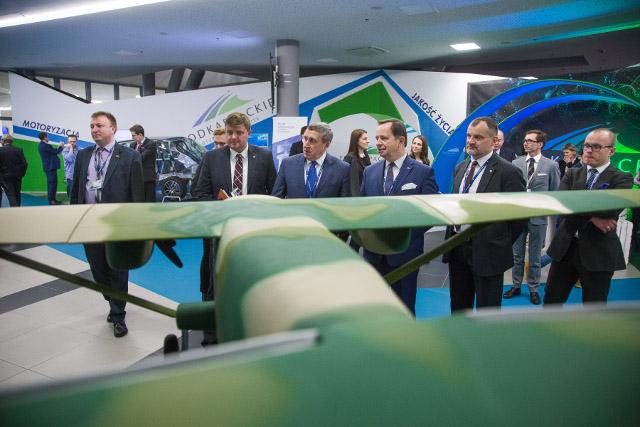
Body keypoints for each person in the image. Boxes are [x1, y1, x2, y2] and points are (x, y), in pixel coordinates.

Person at [194, 112, 276, 345]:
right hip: (220, 233)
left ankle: (251, 330)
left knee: (252, 281)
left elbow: (274, 193)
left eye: (239, 133)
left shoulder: (264, 157)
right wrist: (221, 207)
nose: (233, 137)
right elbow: (199, 193)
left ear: (248, 133)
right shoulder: (211, 158)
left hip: (253, 233)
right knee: (215, 283)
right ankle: (212, 337)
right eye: (229, 132)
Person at [70, 111, 144, 337]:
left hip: (118, 225)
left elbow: (137, 194)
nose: (94, 129)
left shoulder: (130, 156)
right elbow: (76, 189)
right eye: (92, 126)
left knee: (118, 271)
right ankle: (112, 298)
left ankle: (118, 315)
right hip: (90, 223)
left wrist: (136, 226)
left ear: (113, 128)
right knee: (98, 271)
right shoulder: (83, 155)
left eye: (99, 125)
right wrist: (73, 218)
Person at [443, 117, 526, 312]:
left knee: (487, 312)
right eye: (469, 136)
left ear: (494, 141)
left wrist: (499, 242)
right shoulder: (460, 168)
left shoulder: (509, 172)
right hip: (457, 248)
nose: (471, 141)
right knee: (459, 308)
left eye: (478, 137)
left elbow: (520, 217)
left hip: (489, 252)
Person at [543, 128, 633, 305]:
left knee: (594, 306)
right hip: (565, 249)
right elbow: (561, 204)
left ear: (611, 151)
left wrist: (576, 207)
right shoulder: (572, 173)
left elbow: (609, 210)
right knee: (551, 301)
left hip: (598, 251)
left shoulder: (622, 178)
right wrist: (592, 217)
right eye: (587, 146)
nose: (589, 150)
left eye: (596, 146)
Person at [361, 119, 439, 315]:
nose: (378, 142)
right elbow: (362, 209)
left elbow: (430, 213)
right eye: (377, 138)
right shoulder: (369, 172)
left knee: (404, 309)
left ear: (401, 140)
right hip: (374, 255)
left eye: (384, 138)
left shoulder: (423, 172)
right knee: (375, 311)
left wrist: (401, 237)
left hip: (406, 255)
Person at [503, 130, 560, 305]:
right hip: (518, 217)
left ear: (540, 144)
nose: (525, 143)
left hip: (538, 218)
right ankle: (516, 285)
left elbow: (555, 192)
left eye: (530, 140)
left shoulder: (551, 166)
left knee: (535, 256)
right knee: (517, 255)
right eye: (525, 140)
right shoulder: (516, 163)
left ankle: (533, 288)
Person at [273, 122, 350, 198]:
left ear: (327, 144)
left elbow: (345, 203)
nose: (306, 145)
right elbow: (276, 199)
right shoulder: (288, 164)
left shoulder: (342, 169)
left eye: (312, 140)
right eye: (305, 139)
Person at [129, 124, 157, 202]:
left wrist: (130, 159)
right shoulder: (132, 145)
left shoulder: (150, 144)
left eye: (133, 135)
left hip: (148, 179)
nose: (132, 138)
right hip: (136, 180)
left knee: (149, 202)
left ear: (140, 135)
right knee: (138, 202)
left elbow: (140, 158)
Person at [0, 134, 28, 207]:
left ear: (4, 140)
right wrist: (21, 174)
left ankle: (14, 211)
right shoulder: (19, 150)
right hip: (17, 177)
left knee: (11, 195)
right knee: (17, 195)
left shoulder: (1, 150)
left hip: (5, 178)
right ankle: (17, 210)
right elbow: (24, 164)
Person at [37, 132, 64, 205]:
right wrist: (61, 146)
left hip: (49, 167)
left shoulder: (42, 145)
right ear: (44, 137)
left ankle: (52, 199)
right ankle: (52, 201)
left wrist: (58, 147)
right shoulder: (45, 145)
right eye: (47, 136)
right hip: (50, 167)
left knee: (51, 184)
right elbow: (56, 152)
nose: (48, 138)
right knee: (52, 184)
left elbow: (52, 151)